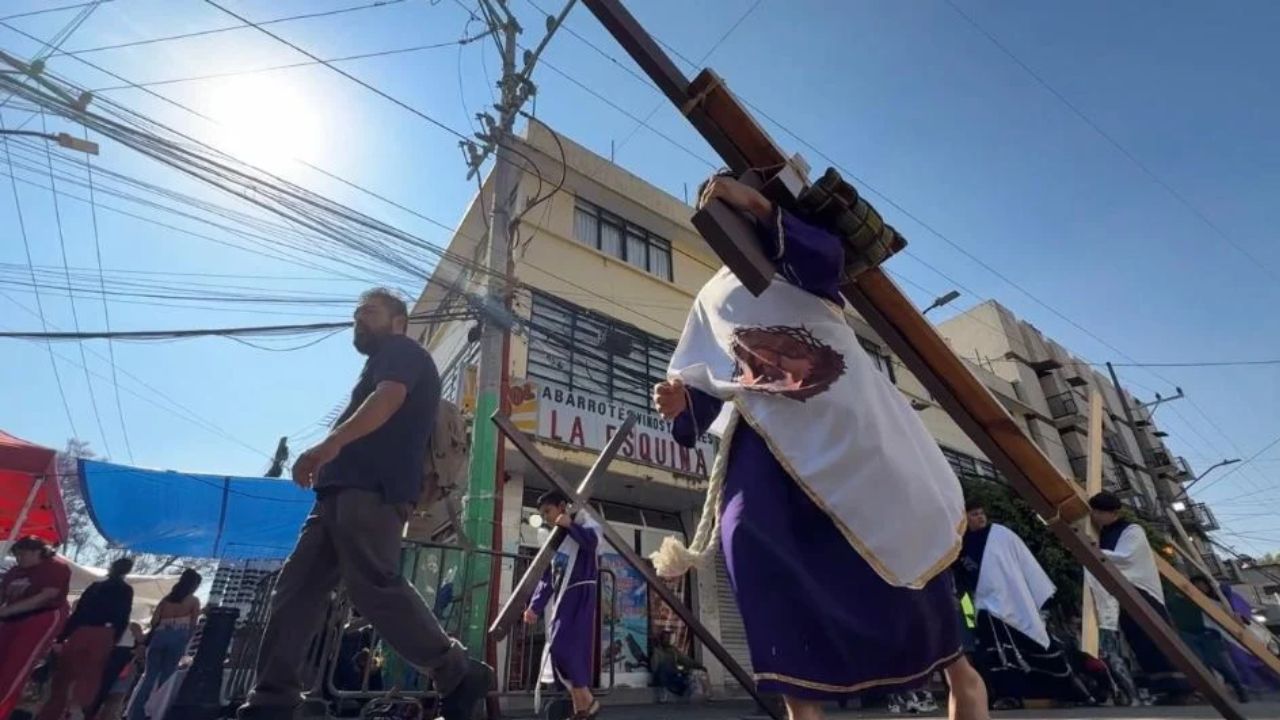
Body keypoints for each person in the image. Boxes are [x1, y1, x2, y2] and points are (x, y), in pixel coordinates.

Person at [652, 174, 988, 720]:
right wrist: (681, 404)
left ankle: (962, 681)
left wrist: (758, 205)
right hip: (766, 437)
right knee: (748, 539)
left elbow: (825, 259)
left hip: (845, 421)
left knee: (896, 529)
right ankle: (801, 711)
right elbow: (705, 379)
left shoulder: (792, 254)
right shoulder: (708, 295)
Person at [237, 288, 491, 720]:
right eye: (355, 315)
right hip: (335, 495)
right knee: (295, 591)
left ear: (398, 321)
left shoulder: (403, 351)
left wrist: (328, 444)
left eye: (369, 313)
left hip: (373, 488)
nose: (358, 320)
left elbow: (388, 399)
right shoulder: (378, 362)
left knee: (372, 584)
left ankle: (457, 671)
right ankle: (271, 701)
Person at [953, 500, 1090, 708]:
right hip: (984, 608)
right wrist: (970, 618)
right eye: (974, 514)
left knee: (1039, 647)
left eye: (981, 513)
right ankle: (1008, 696)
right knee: (996, 655)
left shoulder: (1001, 534)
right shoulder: (960, 546)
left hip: (1014, 602)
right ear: (964, 519)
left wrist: (1037, 596)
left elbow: (1023, 562)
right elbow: (961, 585)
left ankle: (1071, 693)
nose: (980, 517)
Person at [1087, 491, 1190, 699]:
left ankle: (1182, 687)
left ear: (1113, 512)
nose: (1095, 516)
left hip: (1142, 592)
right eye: (1094, 511)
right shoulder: (1104, 532)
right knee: (1139, 641)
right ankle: (1162, 689)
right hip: (1122, 593)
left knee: (1157, 640)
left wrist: (1096, 552)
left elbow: (1127, 557)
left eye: (1099, 511)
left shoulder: (1132, 530)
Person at [523, 491, 601, 720]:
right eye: (543, 513)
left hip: (581, 593)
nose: (546, 517)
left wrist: (571, 526)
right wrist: (534, 607)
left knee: (568, 650)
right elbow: (548, 577)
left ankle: (586, 703)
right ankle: (583, 708)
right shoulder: (556, 538)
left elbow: (592, 543)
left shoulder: (583, 522)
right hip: (563, 598)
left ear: (562, 507)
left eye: (548, 511)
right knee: (558, 651)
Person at [39, 557, 135, 720]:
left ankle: (51, 713)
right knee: (89, 676)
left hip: (81, 631)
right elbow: (123, 617)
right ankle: (76, 711)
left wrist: (62, 637)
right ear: (127, 571)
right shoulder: (126, 591)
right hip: (104, 634)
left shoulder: (95, 587)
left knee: (65, 673)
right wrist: (114, 638)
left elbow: (78, 613)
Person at [0, 536, 72, 719]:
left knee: (14, 670)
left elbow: (45, 597)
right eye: (17, 555)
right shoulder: (15, 571)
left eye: (22, 554)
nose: (19, 559)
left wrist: (7, 611)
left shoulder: (55, 568)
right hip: (10, 620)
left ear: (37, 551)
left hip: (40, 618)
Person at [125, 568, 200, 720]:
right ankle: (155, 713)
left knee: (149, 677)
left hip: (160, 635)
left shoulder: (167, 599)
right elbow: (193, 624)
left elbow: (154, 621)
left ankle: (135, 713)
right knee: (166, 678)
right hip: (179, 635)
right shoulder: (193, 600)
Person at [1166, 576, 1248, 703]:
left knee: (1223, 665)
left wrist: (1237, 617)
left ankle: (1239, 689)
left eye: (1202, 585)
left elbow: (1230, 610)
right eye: (1196, 585)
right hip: (1188, 635)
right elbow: (1170, 612)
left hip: (1210, 635)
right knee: (1201, 665)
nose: (1200, 587)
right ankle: (1213, 694)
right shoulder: (1178, 600)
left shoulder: (1212, 602)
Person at [90, 622, 144, 720]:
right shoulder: (133, 627)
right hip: (122, 667)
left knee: (105, 702)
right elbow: (141, 648)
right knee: (113, 703)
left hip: (113, 667)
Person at [648, 632, 703, 701]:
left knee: (688, 678)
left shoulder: (673, 651)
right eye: (665, 638)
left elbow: (685, 660)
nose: (667, 640)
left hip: (673, 676)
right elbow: (655, 668)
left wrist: (698, 666)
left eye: (668, 638)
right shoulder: (657, 652)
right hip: (662, 678)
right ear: (661, 640)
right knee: (665, 667)